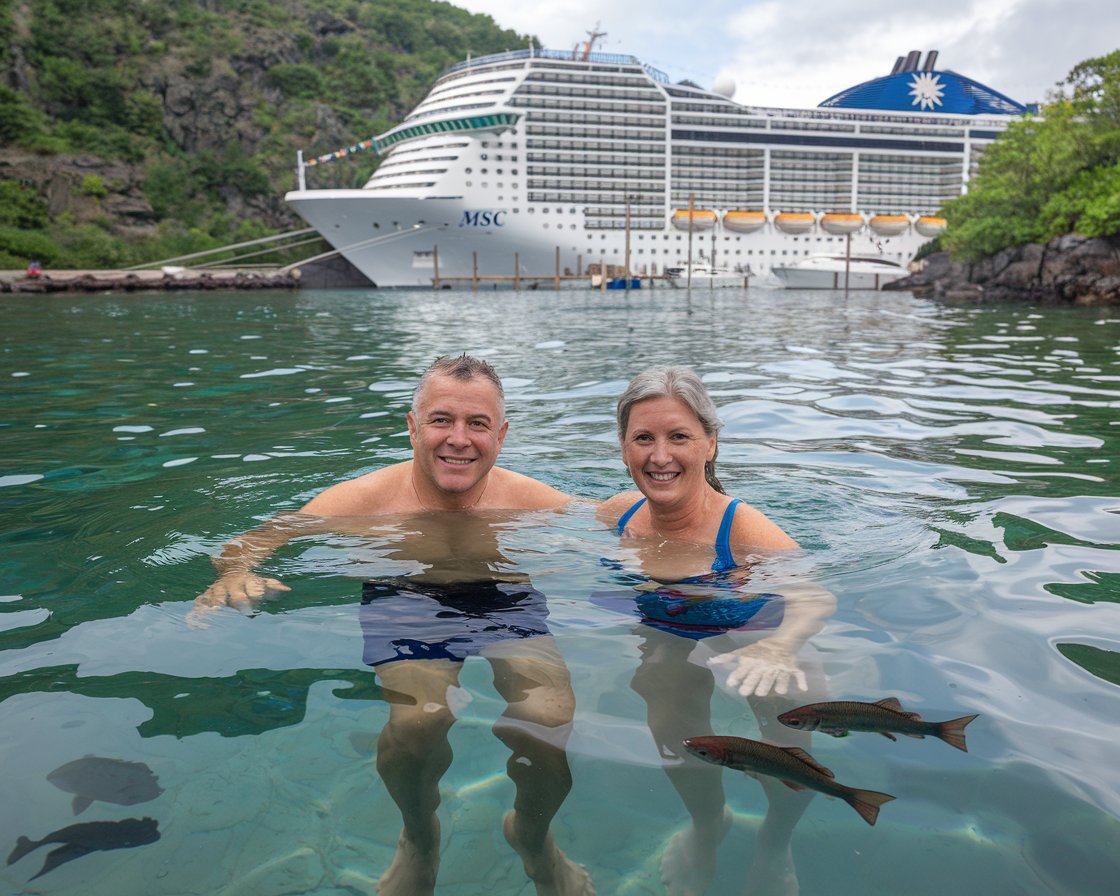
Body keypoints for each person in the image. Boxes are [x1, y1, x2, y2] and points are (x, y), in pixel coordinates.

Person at [194, 354, 594, 896]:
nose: (459, 439)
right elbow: (252, 543)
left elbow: (629, 528)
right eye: (441, 420)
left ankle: (533, 835)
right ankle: (419, 838)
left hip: (502, 594)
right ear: (412, 426)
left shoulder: (528, 499)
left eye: (477, 424)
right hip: (407, 596)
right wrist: (235, 574)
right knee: (418, 721)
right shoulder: (365, 500)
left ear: (501, 433)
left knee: (548, 716)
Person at [596, 366, 835, 896]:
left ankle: (777, 839)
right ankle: (709, 825)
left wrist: (779, 645)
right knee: (661, 690)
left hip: (747, 620)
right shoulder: (619, 514)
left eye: (678, 436)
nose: (660, 456)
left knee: (805, 697)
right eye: (644, 438)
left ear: (709, 444)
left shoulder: (746, 530)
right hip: (667, 625)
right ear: (623, 448)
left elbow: (815, 595)